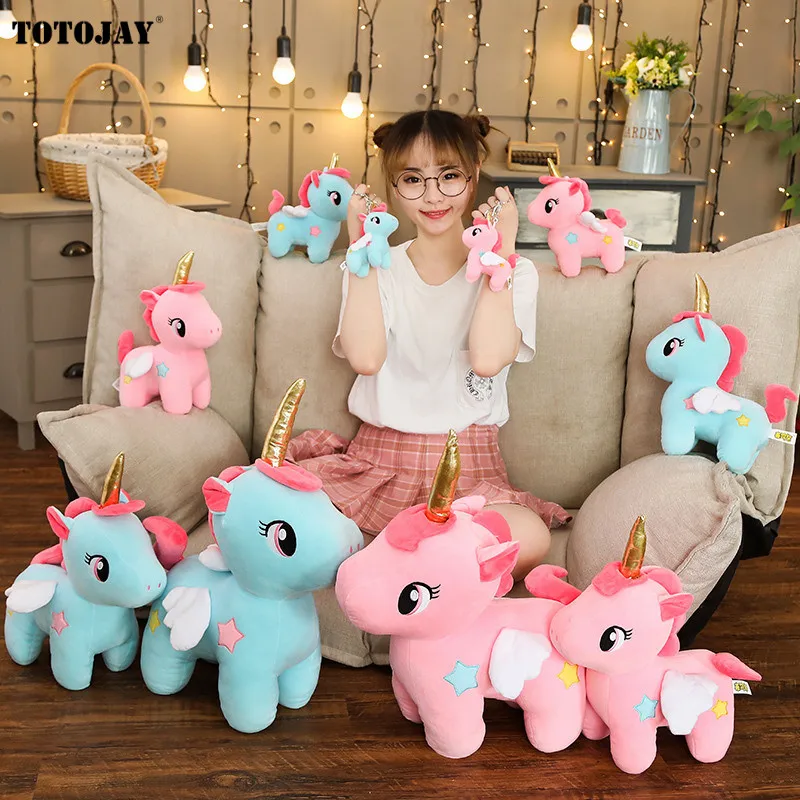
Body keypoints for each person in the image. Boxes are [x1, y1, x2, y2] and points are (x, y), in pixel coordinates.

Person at [287, 109, 569, 579]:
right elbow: (366, 358)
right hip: (378, 463)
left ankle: (406, 566)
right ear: (394, 188)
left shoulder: (514, 272)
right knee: (287, 517)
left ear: (474, 173)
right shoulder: (374, 265)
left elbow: (487, 359)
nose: (433, 196)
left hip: (469, 472)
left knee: (531, 538)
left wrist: (499, 252)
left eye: (449, 176)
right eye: (413, 180)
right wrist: (360, 247)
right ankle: (428, 568)